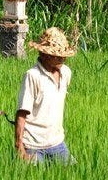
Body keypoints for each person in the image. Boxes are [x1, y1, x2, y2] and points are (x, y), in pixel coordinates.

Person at [15, 27, 76, 165]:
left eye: (63, 54)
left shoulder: (66, 73)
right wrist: (20, 147)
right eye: (57, 55)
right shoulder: (32, 76)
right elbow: (21, 113)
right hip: (33, 145)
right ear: (44, 55)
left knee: (77, 173)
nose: (63, 58)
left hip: (57, 143)